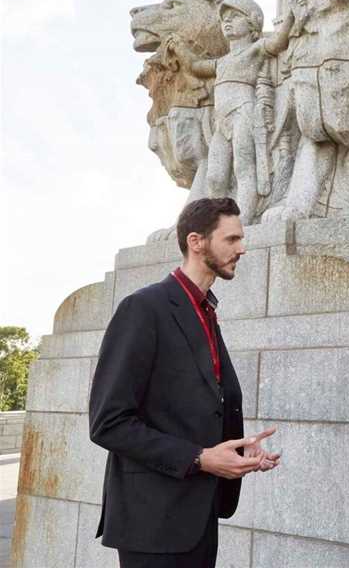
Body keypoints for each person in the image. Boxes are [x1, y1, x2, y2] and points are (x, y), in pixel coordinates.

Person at [89, 198, 280, 568]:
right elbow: (108, 423)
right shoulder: (143, 308)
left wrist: (238, 454)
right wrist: (202, 458)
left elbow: (193, 409)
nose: (242, 248)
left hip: (199, 515)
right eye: (231, 239)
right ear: (196, 242)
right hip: (153, 525)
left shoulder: (206, 310)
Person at [169, 0, 306, 223]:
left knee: (244, 169)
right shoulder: (222, 62)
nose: (227, 22)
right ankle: (216, 223)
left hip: (243, 111)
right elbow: (195, 66)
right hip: (221, 122)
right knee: (215, 176)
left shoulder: (255, 49)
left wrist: (291, 14)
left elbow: (278, 42)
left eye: (235, 16)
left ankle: (243, 221)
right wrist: (180, 48)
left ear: (252, 21)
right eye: (224, 19)